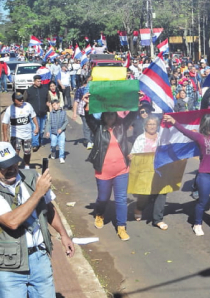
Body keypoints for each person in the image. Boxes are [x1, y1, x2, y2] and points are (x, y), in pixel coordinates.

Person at [0, 141, 75, 297]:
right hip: (9, 266)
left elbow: (48, 207)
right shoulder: (37, 188)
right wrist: (38, 192)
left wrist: (63, 234)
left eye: (14, 163)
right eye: (5, 166)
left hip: (39, 258)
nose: (12, 169)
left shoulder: (33, 177)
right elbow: (12, 222)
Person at [163, 108, 210, 240]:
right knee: (202, 201)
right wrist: (173, 121)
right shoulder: (199, 137)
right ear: (207, 124)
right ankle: (197, 223)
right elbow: (184, 131)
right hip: (205, 175)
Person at [83, 93, 137, 241]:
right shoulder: (98, 128)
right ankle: (99, 214)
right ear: (104, 116)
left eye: (113, 115)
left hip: (122, 170)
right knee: (103, 198)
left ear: (116, 116)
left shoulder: (121, 127)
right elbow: (88, 118)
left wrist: (136, 100)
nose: (110, 117)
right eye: (107, 115)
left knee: (121, 199)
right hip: (103, 171)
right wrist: (87, 104)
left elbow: (133, 114)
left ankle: (121, 227)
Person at [129, 116, 170, 230]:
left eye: (154, 124)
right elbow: (134, 153)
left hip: (160, 170)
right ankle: (139, 208)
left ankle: (158, 219)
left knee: (161, 193)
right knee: (144, 194)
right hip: (145, 172)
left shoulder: (162, 138)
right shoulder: (140, 138)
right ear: (145, 126)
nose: (152, 126)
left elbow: (168, 150)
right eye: (149, 124)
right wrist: (132, 157)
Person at [1, 93, 38, 169]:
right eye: (19, 99)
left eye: (22, 98)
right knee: (16, 151)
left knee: (27, 152)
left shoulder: (28, 105)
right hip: (16, 134)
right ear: (14, 100)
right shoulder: (10, 109)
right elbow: (5, 123)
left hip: (27, 134)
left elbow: (33, 116)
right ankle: (15, 167)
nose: (21, 100)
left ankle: (27, 166)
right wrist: (5, 137)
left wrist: (37, 127)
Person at [23, 75, 50, 152]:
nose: (39, 82)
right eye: (38, 81)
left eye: (40, 81)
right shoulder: (28, 91)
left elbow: (48, 100)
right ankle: (35, 144)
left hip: (43, 113)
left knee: (41, 130)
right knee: (35, 129)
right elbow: (24, 102)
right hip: (33, 115)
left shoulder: (45, 90)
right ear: (34, 81)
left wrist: (48, 106)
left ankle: (40, 141)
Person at [72, 76, 94, 149]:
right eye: (89, 81)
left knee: (93, 126)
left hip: (94, 111)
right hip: (83, 111)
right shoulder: (80, 90)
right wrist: (74, 113)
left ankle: (92, 139)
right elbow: (76, 101)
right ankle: (89, 141)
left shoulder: (95, 88)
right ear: (86, 81)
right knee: (86, 126)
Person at [44, 99, 68, 164]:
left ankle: (61, 157)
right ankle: (53, 152)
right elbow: (49, 123)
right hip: (53, 132)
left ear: (58, 104)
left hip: (61, 132)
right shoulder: (51, 113)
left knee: (61, 145)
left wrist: (62, 128)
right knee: (53, 144)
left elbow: (66, 121)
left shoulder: (63, 112)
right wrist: (47, 131)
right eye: (53, 105)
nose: (55, 106)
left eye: (55, 105)